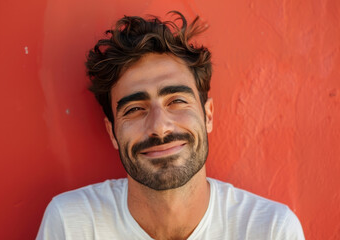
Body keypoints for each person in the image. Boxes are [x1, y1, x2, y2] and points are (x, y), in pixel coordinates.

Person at [36, 11, 305, 240]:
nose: (160, 127)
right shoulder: (72, 226)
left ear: (208, 115)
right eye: (134, 109)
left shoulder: (270, 230)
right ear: (112, 132)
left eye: (176, 101)